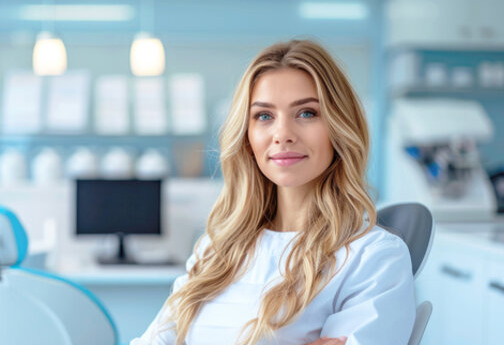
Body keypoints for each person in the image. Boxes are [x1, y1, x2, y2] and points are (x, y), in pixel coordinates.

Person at [131, 39, 415, 345]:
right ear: (247, 138)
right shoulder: (217, 249)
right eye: (264, 116)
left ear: (339, 127)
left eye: (307, 113)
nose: (283, 135)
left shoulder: (373, 257)